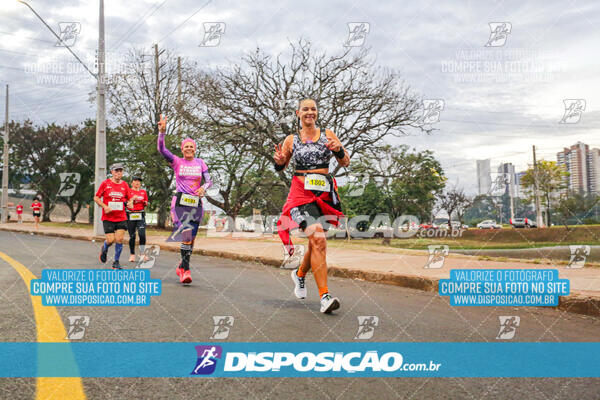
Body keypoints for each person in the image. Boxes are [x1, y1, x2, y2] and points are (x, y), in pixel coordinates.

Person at [274, 98, 349, 314]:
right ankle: (325, 297)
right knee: (318, 238)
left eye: (313, 109)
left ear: (317, 113)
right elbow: (281, 166)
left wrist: (338, 150)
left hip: (324, 195)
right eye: (305, 109)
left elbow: (345, 162)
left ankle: (299, 274)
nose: (310, 112)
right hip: (300, 195)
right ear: (298, 113)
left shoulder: (328, 134)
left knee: (317, 242)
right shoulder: (291, 139)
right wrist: (279, 161)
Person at [157, 115, 212, 284]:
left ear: (195, 149)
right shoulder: (177, 162)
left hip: (196, 204)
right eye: (186, 146)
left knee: (191, 239)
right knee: (186, 235)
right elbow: (162, 149)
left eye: (191, 146)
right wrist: (162, 133)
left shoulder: (201, 163)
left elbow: (209, 180)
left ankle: (182, 265)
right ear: (182, 149)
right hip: (180, 203)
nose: (189, 148)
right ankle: (186, 271)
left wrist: (204, 188)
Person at [94, 163, 134, 269]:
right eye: (116, 171)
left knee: (119, 239)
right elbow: (96, 198)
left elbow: (130, 199)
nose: (119, 173)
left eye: (120, 171)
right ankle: (105, 247)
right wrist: (104, 206)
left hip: (121, 217)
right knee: (111, 240)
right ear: (111, 172)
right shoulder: (105, 184)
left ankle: (116, 262)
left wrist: (130, 203)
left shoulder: (125, 185)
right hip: (108, 217)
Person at [126, 176, 149, 263]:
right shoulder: (128, 191)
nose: (137, 182)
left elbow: (146, 202)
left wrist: (144, 202)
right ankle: (132, 254)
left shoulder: (143, 192)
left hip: (140, 215)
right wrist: (132, 199)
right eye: (135, 181)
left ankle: (142, 254)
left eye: (139, 181)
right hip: (131, 215)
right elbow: (126, 203)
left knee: (142, 234)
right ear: (132, 183)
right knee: (132, 236)